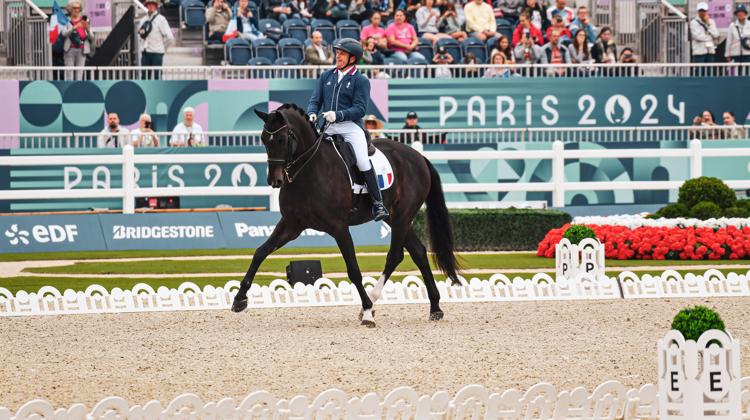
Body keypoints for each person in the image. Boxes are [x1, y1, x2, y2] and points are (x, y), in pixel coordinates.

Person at [306, 38, 389, 221]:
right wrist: (311, 113)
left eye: (342, 53)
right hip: (329, 126)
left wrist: (338, 115)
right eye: (337, 53)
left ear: (353, 58)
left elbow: (360, 109)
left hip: (350, 127)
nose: (338, 56)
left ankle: (378, 204)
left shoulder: (360, 80)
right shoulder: (326, 76)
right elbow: (315, 100)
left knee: (362, 161)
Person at [139, 0, 174, 79]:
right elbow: (140, 35)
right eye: (149, 4)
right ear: (146, 6)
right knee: (144, 77)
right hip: (145, 53)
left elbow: (170, 37)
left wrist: (163, 48)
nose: (151, 6)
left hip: (157, 53)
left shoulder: (161, 19)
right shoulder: (143, 20)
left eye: (153, 4)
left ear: (156, 6)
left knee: (157, 77)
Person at [61, 1, 92, 80]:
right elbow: (64, 33)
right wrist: (73, 28)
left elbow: (92, 37)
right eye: (74, 8)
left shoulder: (85, 20)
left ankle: (78, 91)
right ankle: (69, 91)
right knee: (69, 74)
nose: (76, 10)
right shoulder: (66, 20)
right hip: (69, 49)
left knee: (79, 73)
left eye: (78, 8)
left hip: (82, 49)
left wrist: (88, 29)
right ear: (70, 9)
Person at [690, 2, 719, 67]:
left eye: (704, 11)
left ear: (707, 11)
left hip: (710, 51)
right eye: (701, 11)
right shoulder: (694, 22)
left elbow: (716, 34)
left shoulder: (711, 22)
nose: (702, 13)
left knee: (709, 72)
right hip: (699, 52)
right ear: (698, 11)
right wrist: (710, 38)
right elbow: (697, 36)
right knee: (699, 72)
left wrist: (708, 23)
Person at [725, 4, 750, 74]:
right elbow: (729, 41)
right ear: (736, 14)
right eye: (738, 12)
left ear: (745, 13)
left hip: (747, 54)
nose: (740, 14)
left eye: (742, 12)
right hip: (735, 54)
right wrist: (727, 55)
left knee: (747, 74)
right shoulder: (732, 26)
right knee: (736, 74)